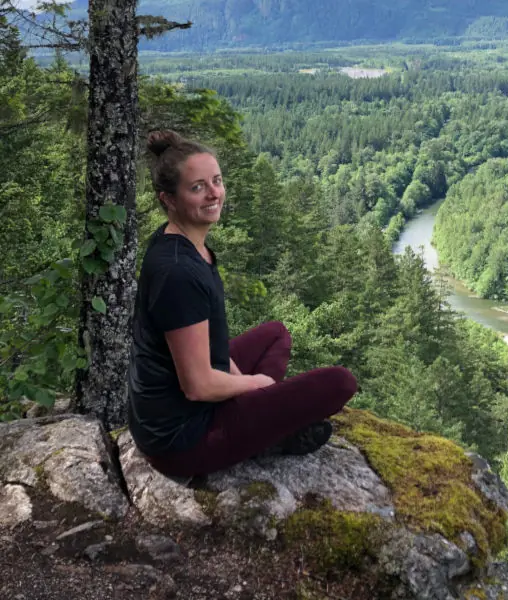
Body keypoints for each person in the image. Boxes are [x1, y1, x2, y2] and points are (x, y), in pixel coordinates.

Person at [127, 129, 358, 479]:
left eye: (216, 181)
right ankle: (270, 433)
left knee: (276, 334)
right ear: (168, 200)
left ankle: (262, 421)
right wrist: (260, 386)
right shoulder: (176, 272)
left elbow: (206, 349)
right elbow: (198, 386)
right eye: (197, 187)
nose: (214, 193)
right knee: (341, 383)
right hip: (181, 441)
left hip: (178, 411)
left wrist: (243, 381)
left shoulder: (190, 248)